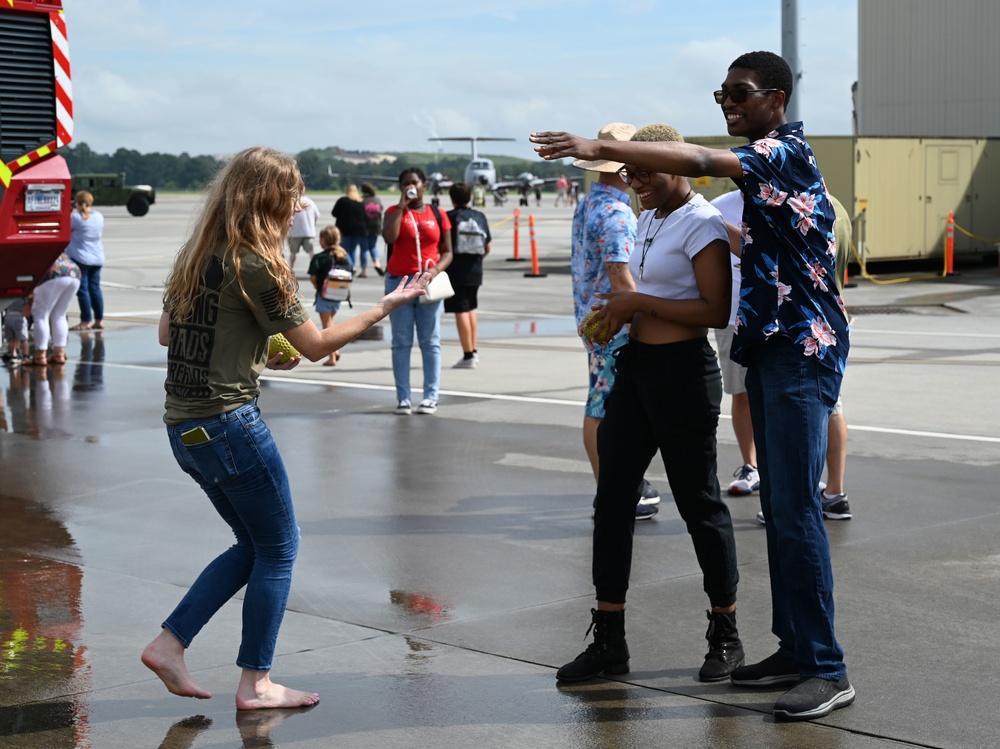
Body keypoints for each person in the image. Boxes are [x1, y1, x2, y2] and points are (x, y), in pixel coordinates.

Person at [531, 49, 855, 722]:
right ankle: (795, 649)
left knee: (794, 511)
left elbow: (704, 165)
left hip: (800, 350)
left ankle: (826, 666)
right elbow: (742, 229)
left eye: (739, 92)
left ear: (777, 96)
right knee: (779, 509)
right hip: (766, 348)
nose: (728, 102)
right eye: (721, 93)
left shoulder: (785, 152)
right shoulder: (753, 179)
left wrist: (597, 146)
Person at [142, 146, 428, 711]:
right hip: (229, 425)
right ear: (267, 198)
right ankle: (256, 682)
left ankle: (169, 644)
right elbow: (318, 346)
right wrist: (385, 305)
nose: (300, 202)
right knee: (279, 547)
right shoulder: (256, 263)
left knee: (252, 544)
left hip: (184, 427)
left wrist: (264, 342)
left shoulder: (198, 255)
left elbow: (169, 334)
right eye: (292, 192)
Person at [555, 122, 741, 685]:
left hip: (683, 376)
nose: (638, 181)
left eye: (649, 170)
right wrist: (620, 312)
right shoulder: (647, 217)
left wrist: (637, 300)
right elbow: (642, 292)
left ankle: (725, 631)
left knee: (699, 504)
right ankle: (609, 638)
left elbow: (714, 310)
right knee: (611, 501)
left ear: (680, 165)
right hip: (635, 371)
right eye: (631, 172)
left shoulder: (701, 223)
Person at [570, 122, 660, 522]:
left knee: (603, 402)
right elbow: (621, 276)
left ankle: (617, 486)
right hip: (614, 324)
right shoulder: (618, 214)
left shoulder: (589, 202)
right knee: (604, 406)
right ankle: (613, 490)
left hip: (592, 317)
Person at [382, 167, 453, 415]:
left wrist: (435, 271)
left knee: (430, 341)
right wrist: (402, 206)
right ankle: (403, 397)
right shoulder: (393, 212)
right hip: (399, 283)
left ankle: (430, 396)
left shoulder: (438, 213)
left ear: (424, 185)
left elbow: (448, 251)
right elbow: (390, 238)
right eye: (405, 184)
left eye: (415, 182)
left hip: (427, 283)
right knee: (401, 341)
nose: (411, 187)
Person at [710, 190, 759, 496]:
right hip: (732, 317)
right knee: (741, 394)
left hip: (776, 316)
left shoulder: (788, 199)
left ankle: (781, 469)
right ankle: (751, 466)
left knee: (776, 397)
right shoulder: (718, 208)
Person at [445, 182, 491, 369]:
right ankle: (474, 350)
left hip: (456, 270)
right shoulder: (479, 216)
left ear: (452, 198)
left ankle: (468, 354)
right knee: (471, 308)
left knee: (461, 310)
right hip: (476, 268)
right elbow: (487, 246)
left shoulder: (449, 217)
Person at [24, 253, 82, 367]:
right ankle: (59, 354)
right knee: (59, 315)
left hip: (52, 274)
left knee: (41, 316)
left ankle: (40, 356)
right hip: (74, 272)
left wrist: (29, 302)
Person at [308, 226, 354, 366]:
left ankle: (332, 356)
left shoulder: (319, 257)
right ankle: (336, 350)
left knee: (327, 328)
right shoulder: (344, 255)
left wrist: (318, 287)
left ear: (323, 240)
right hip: (338, 294)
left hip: (325, 295)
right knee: (331, 323)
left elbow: (313, 277)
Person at [66, 190, 105, 331]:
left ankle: (86, 321)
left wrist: (69, 209)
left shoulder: (75, 219)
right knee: (95, 289)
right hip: (97, 257)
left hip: (80, 257)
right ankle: (99, 320)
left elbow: (65, 228)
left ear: (77, 202)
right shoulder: (99, 216)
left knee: (83, 290)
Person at [331, 183, 367, 268]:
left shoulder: (343, 200)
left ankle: (351, 266)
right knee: (353, 250)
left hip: (345, 229)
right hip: (358, 229)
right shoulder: (361, 202)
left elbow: (334, 213)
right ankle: (352, 266)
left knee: (345, 250)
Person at [286, 188, 320, 272]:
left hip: (294, 232)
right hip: (308, 232)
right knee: (311, 252)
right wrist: (312, 226)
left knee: (293, 253)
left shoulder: (292, 202)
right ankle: (315, 269)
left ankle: (291, 268)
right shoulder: (310, 202)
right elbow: (316, 216)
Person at [358, 183, 385, 278]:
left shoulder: (361, 200)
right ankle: (377, 263)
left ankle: (363, 270)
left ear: (363, 191)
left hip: (364, 227)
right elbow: (381, 210)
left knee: (364, 249)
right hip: (375, 226)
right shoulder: (377, 200)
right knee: (373, 246)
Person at [2, 298, 31, 363]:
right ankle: (26, 356)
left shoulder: (10, 297)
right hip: (19, 316)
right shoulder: (24, 296)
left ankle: (13, 356)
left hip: (8, 317)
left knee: (11, 339)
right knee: (24, 339)